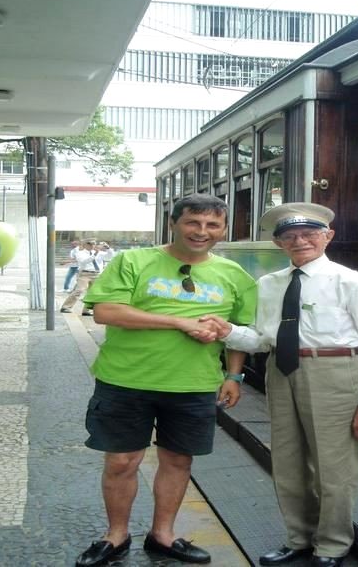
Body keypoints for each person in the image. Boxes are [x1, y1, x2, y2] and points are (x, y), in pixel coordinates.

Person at [204, 202, 358, 567]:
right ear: (279, 244)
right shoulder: (270, 284)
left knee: (334, 467)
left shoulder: (354, 283)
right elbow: (264, 339)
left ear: (327, 236)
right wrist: (228, 331)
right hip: (283, 372)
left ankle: (332, 545)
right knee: (288, 462)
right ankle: (298, 538)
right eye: (289, 236)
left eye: (309, 234)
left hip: (337, 373)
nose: (300, 241)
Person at [74, 193, 257, 567]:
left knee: (178, 461)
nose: (201, 232)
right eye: (193, 222)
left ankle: (163, 534)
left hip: (193, 384)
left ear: (223, 230)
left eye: (212, 225)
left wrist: (234, 375)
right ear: (174, 223)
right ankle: (116, 535)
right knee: (122, 460)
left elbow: (241, 330)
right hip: (126, 380)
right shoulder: (133, 260)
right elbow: (105, 311)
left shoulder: (234, 275)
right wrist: (178, 321)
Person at [60, 239, 100, 316]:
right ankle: (66, 307)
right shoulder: (80, 253)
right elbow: (83, 261)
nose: (92, 245)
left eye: (94, 244)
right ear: (84, 245)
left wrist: (107, 248)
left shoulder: (98, 253)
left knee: (93, 293)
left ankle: (87, 310)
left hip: (96, 274)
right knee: (79, 290)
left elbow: (109, 256)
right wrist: (95, 255)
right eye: (90, 244)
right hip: (84, 273)